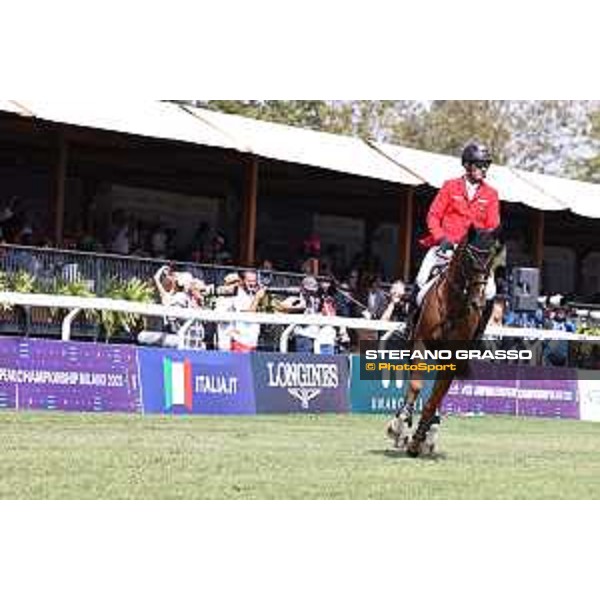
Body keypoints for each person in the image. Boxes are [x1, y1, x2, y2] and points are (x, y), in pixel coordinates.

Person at [406, 142, 501, 337]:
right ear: (467, 165)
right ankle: (409, 328)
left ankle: (477, 336)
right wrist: (441, 238)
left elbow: (492, 225)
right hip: (446, 246)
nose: (484, 169)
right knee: (421, 279)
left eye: (486, 165)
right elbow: (433, 216)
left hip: (473, 253)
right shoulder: (450, 187)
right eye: (479, 165)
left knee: (490, 291)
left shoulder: (491, 194)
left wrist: (483, 244)